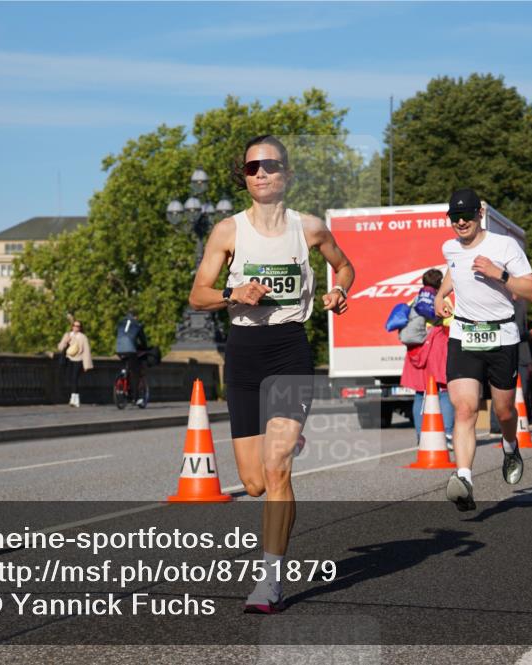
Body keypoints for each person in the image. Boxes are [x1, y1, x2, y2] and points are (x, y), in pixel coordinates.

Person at [189, 135, 354, 612]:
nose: (260, 173)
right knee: (255, 481)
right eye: (251, 168)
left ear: (287, 173)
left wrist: (339, 292)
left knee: (277, 468)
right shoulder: (227, 231)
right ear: (244, 178)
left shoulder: (310, 229)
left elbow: (344, 268)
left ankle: (270, 581)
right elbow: (198, 293)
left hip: (288, 349)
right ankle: (288, 437)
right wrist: (231, 295)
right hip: (243, 353)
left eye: (269, 165)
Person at [433, 188, 532, 512]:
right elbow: (455, 266)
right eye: (455, 217)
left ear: (480, 213)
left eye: (466, 215)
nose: (461, 222)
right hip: (464, 334)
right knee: (464, 408)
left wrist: (499, 273)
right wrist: (440, 295)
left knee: (504, 411)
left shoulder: (504, 246)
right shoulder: (450, 247)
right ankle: (464, 479)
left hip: (501, 335)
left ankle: (510, 446)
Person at [399, 269, 455, 449]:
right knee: (444, 391)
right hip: (437, 347)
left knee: (420, 393)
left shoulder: (414, 301)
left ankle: (420, 436)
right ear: (440, 284)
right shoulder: (443, 301)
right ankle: (446, 434)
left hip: (417, 350)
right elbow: (450, 323)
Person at [115, 309, 149, 406]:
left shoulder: (121, 323)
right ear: (135, 316)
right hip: (130, 350)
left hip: (119, 348)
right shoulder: (137, 325)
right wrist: (144, 347)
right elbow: (143, 340)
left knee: (125, 364)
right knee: (135, 373)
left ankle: (122, 376)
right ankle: (136, 398)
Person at [57, 319, 93, 407]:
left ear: (80, 328)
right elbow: (60, 347)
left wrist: (86, 365)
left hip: (78, 360)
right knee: (70, 379)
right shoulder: (68, 335)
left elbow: (86, 351)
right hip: (69, 359)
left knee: (74, 379)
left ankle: (74, 399)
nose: (75, 328)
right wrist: (66, 341)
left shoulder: (83, 337)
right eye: (74, 326)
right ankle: (74, 398)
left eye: (78, 326)